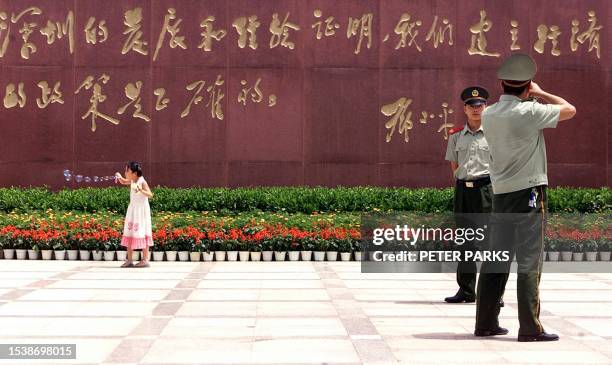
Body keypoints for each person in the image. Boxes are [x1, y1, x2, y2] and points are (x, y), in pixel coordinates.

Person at [475, 53, 576, 341]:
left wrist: (529, 94)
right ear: (526, 84)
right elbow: (570, 109)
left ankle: (485, 323)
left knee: (496, 260)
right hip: (529, 193)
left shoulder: (489, 114)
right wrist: (541, 92)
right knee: (529, 261)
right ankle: (530, 327)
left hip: (501, 194)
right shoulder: (530, 112)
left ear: (502, 84)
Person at [444, 86, 494, 304]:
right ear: (464, 109)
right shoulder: (456, 136)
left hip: (487, 191)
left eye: (480, 105)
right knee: (465, 242)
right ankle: (466, 290)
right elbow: (454, 165)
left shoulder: (494, 134)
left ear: (486, 107)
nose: (476, 109)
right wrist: (463, 180)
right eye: (471, 106)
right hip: (464, 190)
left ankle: (493, 293)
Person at [115, 161, 154, 268]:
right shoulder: (132, 180)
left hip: (141, 212)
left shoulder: (141, 181)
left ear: (134, 173)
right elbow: (123, 181)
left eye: (127, 170)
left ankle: (145, 259)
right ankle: (130, 260)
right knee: (130, 232)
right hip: (133, 210)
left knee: (142, 232)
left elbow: (150, 194)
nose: (125, 172)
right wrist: (119, 177)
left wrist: (140, 189)